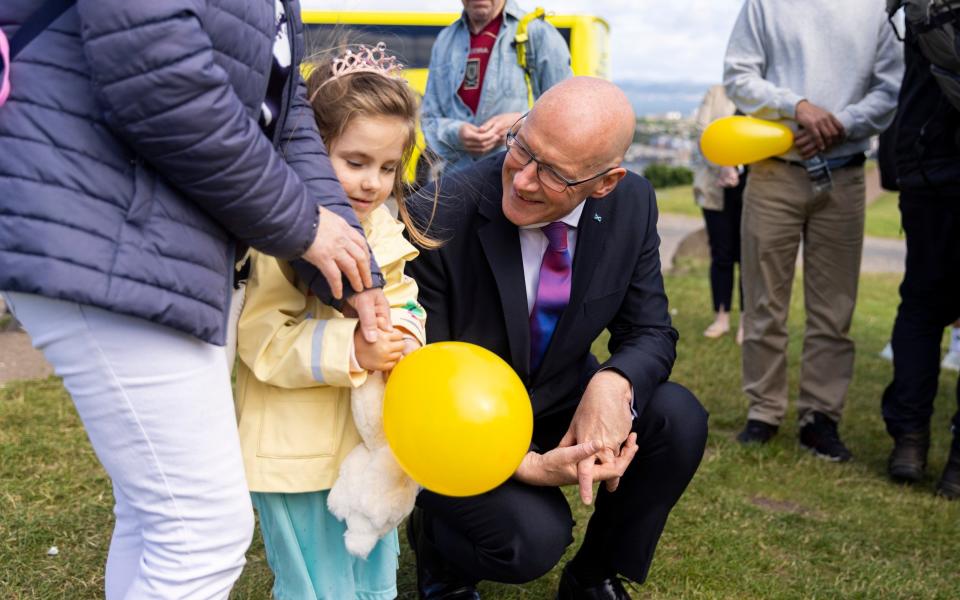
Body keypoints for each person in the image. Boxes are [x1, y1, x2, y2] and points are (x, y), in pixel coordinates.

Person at [0, 1, 391, 597]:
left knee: (159, 517)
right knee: (199, 533)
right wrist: (305, 226)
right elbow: (157, 74)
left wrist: (355, 279)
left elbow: (283, 121)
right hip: (105, 226)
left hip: (154, 245)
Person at [405, 77, 708, 600]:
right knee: (532, 539)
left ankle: (594, 577)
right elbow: (418, 392)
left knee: (677, 419)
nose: (522, 180)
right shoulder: (438, 213)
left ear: (606, 181)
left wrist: (613, 382)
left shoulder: (632, 202)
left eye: (553, 174)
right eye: (521, 148)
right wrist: (526, 465)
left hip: (555, 394)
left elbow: (650, 329)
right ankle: (440, 558)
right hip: (459, 424)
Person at [234, 43, 431, 599]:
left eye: (388, 167)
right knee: (316, 585)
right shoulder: (279, 241)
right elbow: (264, 338)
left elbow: (407, 300)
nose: (373, 183)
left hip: (366, 453)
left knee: (372, 576)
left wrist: (405, 336)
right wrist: (354, 348)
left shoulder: (384, 230)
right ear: (313, 154)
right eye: (356, 162)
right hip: (295, 454)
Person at [724, 0, 903, 461]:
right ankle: (764, 411)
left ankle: (820, 417)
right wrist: (797, 107)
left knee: (835, 307)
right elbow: (738, 76)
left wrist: (841, 124)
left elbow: (890, 88)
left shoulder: (879, 9)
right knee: (763, 299)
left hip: (844, 174)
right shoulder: (764, 4)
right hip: (772, 170)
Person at [880, 11, 960, 499]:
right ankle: (955, 464)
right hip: (931, 167)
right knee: (922, 307)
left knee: (921, 306)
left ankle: (909, 441)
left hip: (923, 166)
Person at [420, 0, 572, 174]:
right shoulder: (444, 40)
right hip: (456, 179)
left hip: (516, 180)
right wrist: (457, 133)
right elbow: (429, 121)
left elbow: (565, 113)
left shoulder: (537, 31)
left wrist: (521, 122)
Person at [692, 84, 746, 343]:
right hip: (717, 184)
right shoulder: (716, 93)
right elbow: (702, 134)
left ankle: (747, 322)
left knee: (750, 256)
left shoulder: (766, 95)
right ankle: (721, 317)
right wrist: (723, 165)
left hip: (755, 187)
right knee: (721, 254)